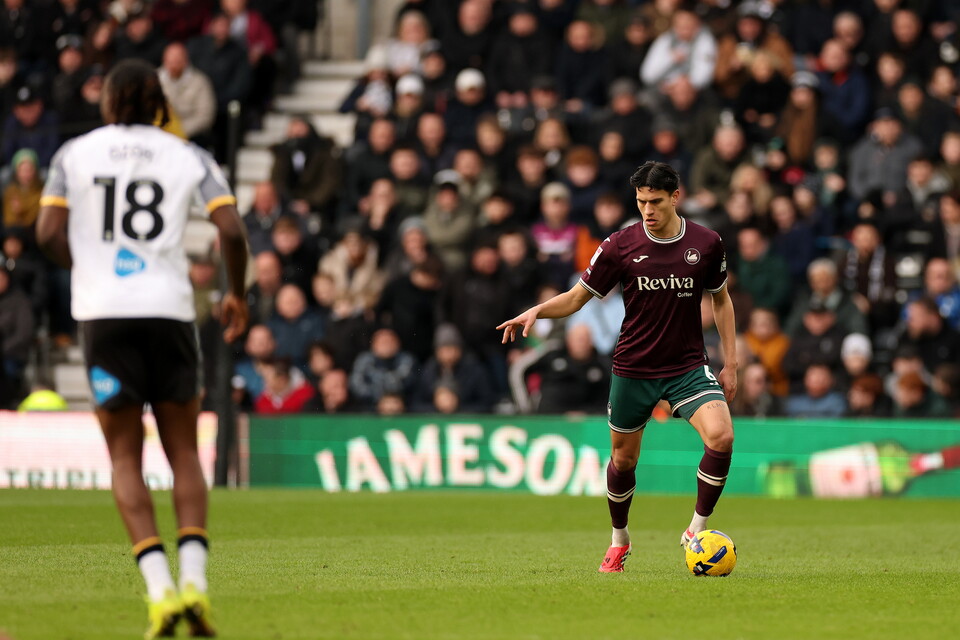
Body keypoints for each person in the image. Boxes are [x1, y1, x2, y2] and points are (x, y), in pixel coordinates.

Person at [35, 60, 249, 638]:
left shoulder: (74, 154)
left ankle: (159, 594)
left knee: (125, 459)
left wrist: (91, 271)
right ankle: (196, 587)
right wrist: (236, 295)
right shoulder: (189, 156)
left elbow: (47, 234)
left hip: (105, 316)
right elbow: (230, 229)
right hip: (169, 312)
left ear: (108, 102)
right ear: (160, 103)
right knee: (183, 452)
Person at [497, 161, 737, 573]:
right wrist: (537, 310)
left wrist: (731, 362)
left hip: (686, 366)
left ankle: (695, 530)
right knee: (623, 461)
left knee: (722, 437)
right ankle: (619, 539)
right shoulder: (619, 246)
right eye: (641, 201)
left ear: (675, 197)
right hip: (634, 368)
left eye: (656, 201)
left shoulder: (707, 243)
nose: (647, 209)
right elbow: (577, 298)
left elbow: (721, 299)